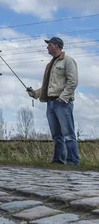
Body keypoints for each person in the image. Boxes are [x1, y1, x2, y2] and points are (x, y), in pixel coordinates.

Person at [27, 37, 80, 165]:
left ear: (56, 45)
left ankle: (73, 161)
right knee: (56, 136)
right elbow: (47, 86)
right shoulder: (50, 64)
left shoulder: (68, 61)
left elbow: (73, 81)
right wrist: (35, 94)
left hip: (62, 103)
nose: (47, 47)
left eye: (49, 45)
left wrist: (63, 98)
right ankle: (58, 161)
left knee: (68, 134)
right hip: (50, 103)